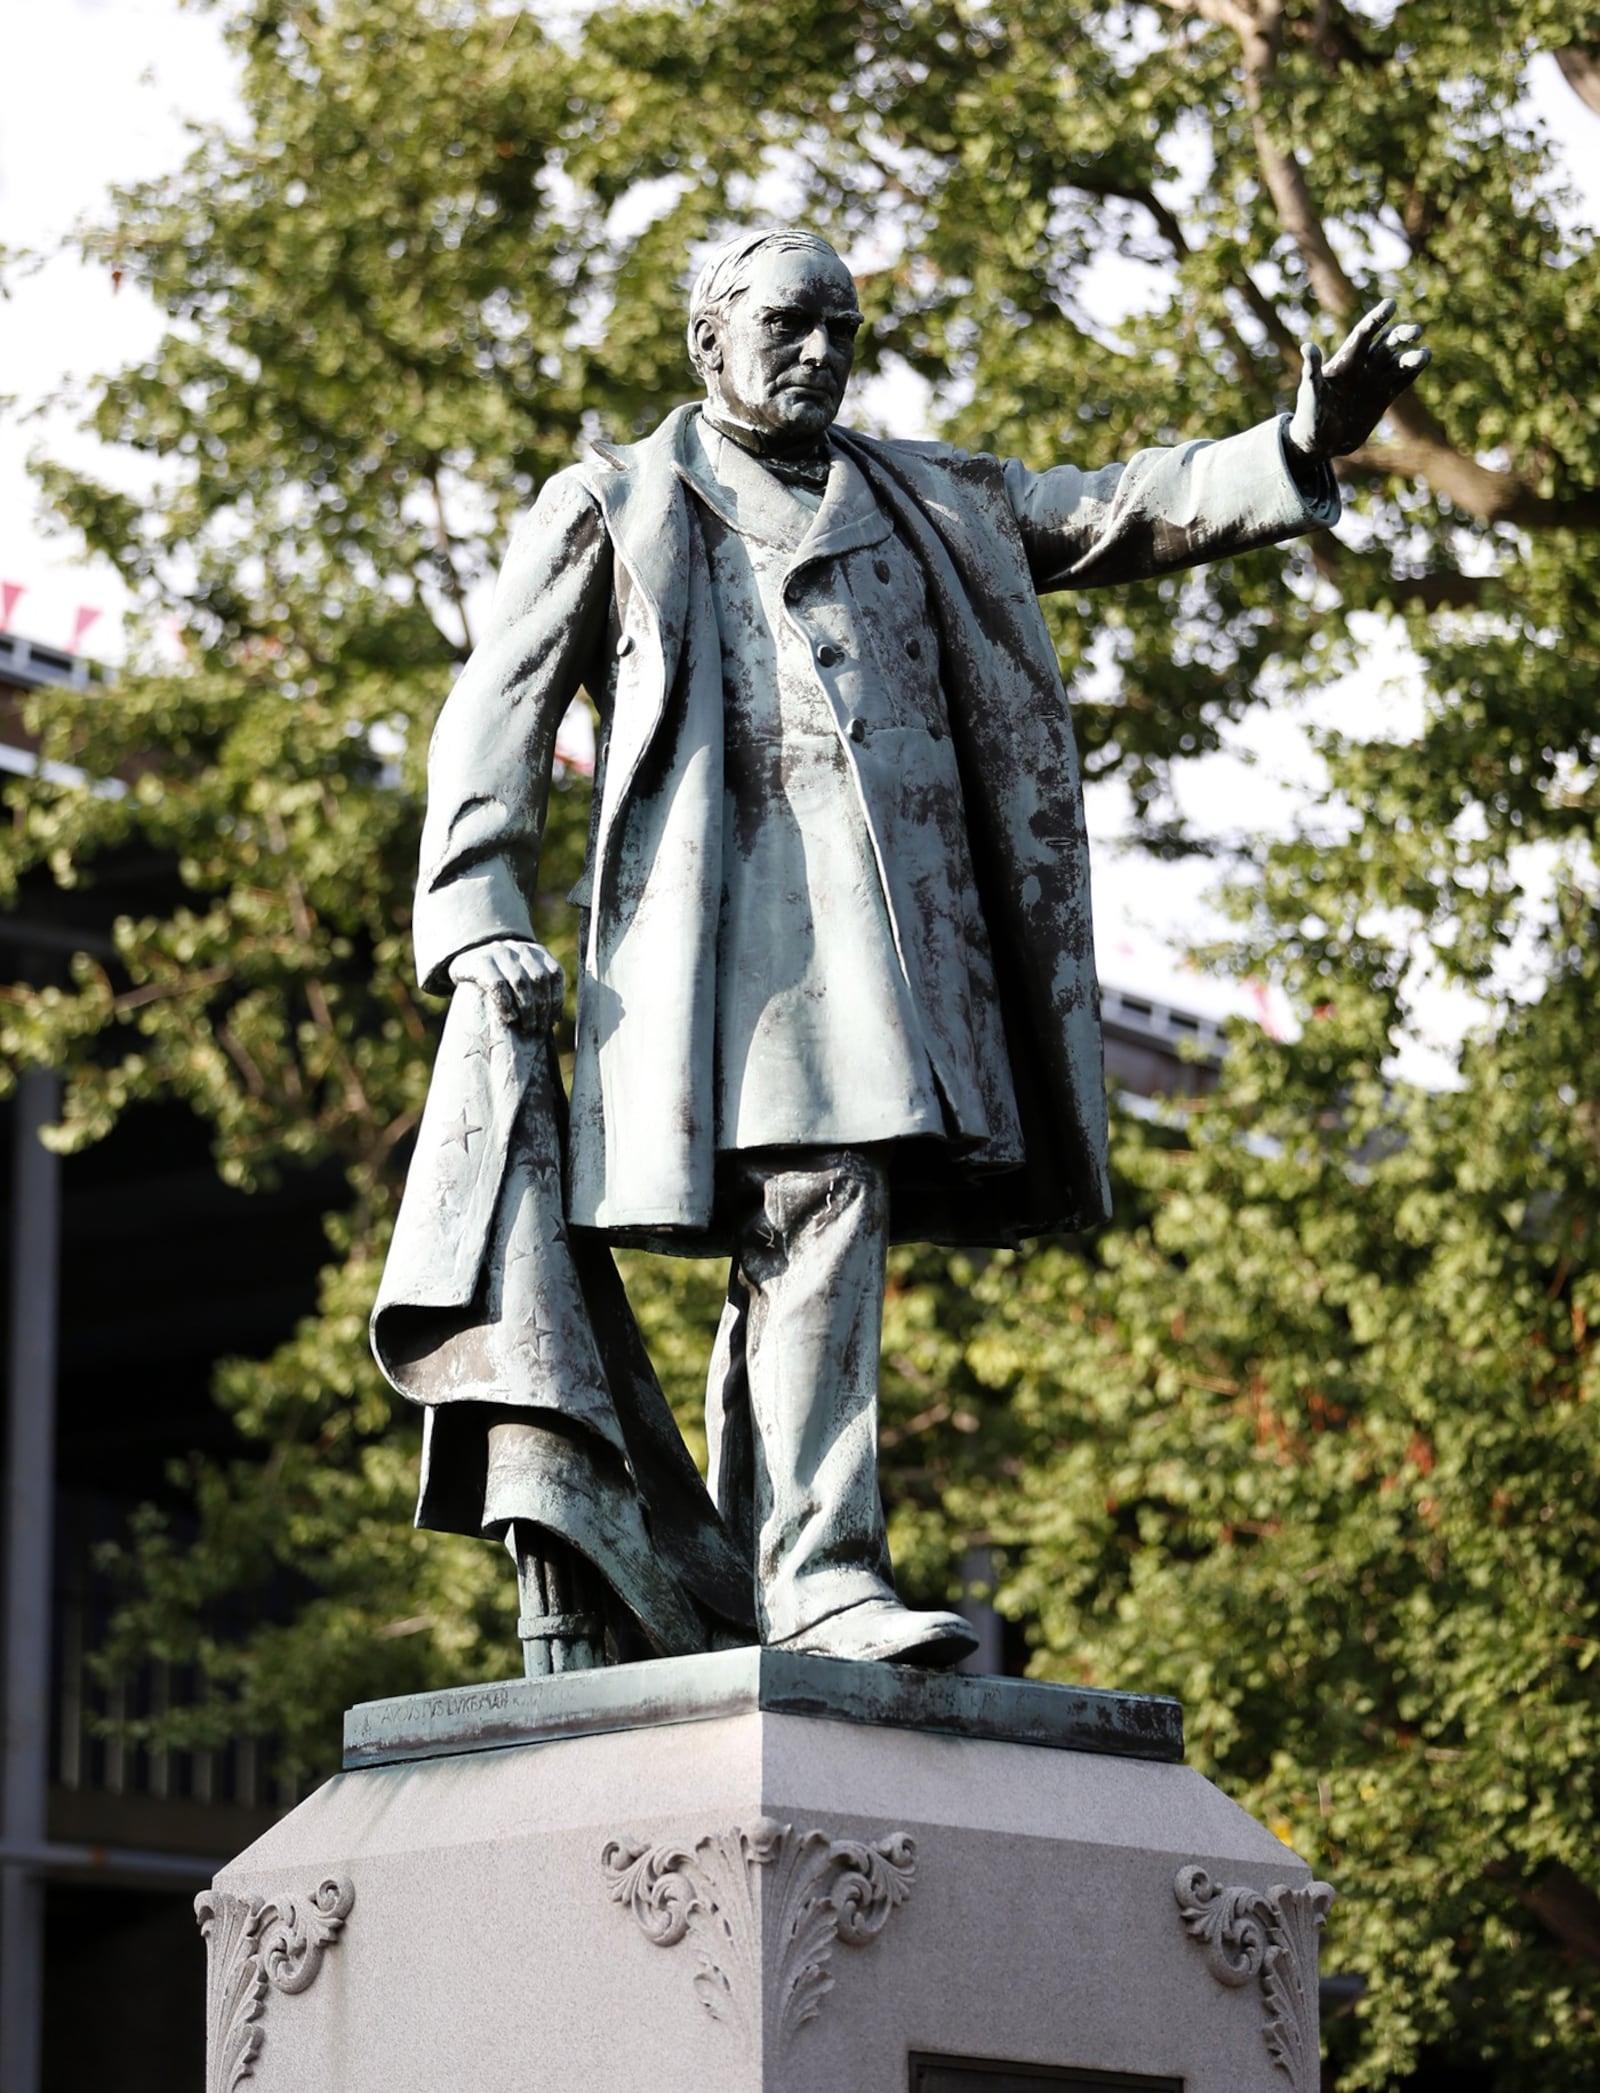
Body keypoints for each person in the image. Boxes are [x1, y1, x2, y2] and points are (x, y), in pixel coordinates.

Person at [373, 227, 1428, 1674]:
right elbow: (493, 709)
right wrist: (475, 907)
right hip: (707, 957)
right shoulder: (616, 501)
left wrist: (1295, 442)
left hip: (888, 943)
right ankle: (813, 1575)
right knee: (817, 1207)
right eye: (791, 327)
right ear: (710, 341)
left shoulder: (924, 495)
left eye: (845, 334)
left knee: (817, 1218)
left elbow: (1115, 510)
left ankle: (776, 1578)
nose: (821, 355)